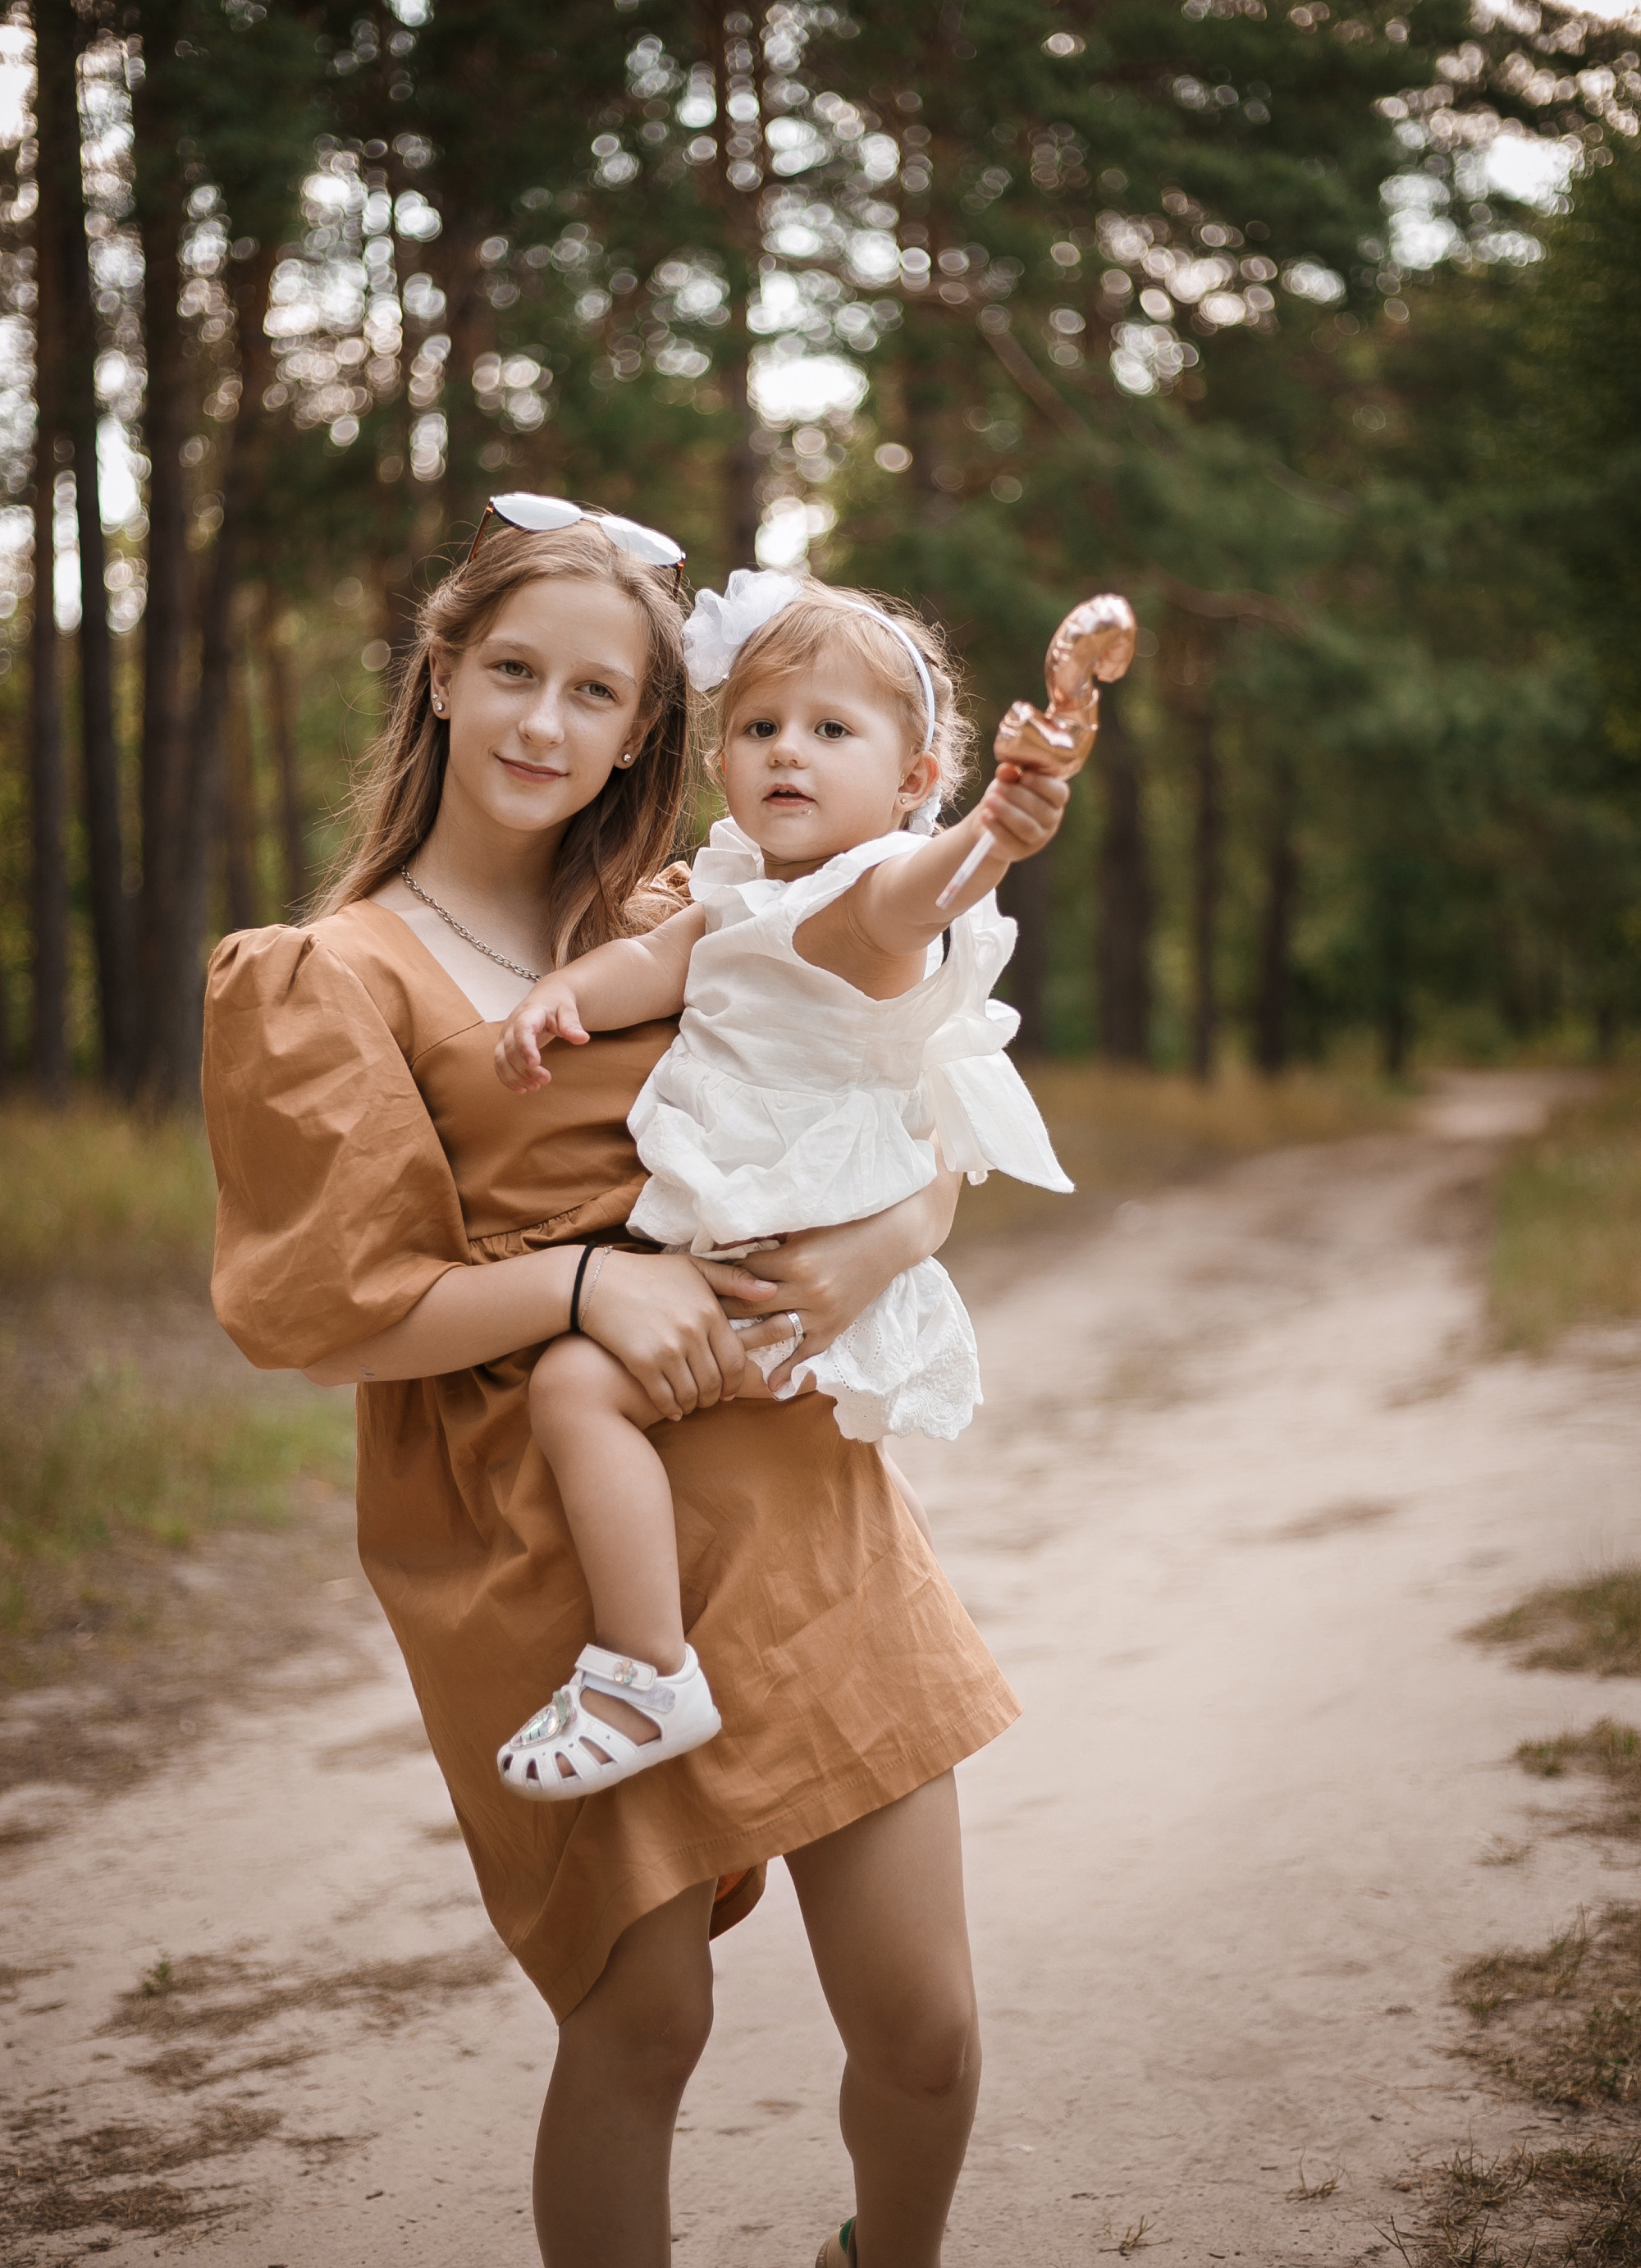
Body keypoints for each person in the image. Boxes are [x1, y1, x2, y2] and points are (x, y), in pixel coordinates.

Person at [201, 498, 1022, 2268]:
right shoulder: (329, 974)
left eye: (596, 693)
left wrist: (886, 1244)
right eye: (513, 672)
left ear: (647, 728)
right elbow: (326, 1316)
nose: (543, 724)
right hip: (554, 1535)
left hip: (792, 1488)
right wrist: (584, 1281)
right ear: (441, 673)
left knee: (929, 2029)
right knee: (644, 2022)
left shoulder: (694, 903)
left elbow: (907, 1108)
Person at [490, 566, 1072, 1808]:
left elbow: (929, 890)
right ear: (722, 761)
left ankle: (643, 1670)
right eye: (758, 727)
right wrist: (561, 995)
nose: (786, 752)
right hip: (757, 1249)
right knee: (664, 1430)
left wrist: (994, 833)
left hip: (790, 1266)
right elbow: (651, 966)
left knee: (576, 1388)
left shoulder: (870, 897)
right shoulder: (742, 895)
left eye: (830, 729)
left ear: (913, 782)